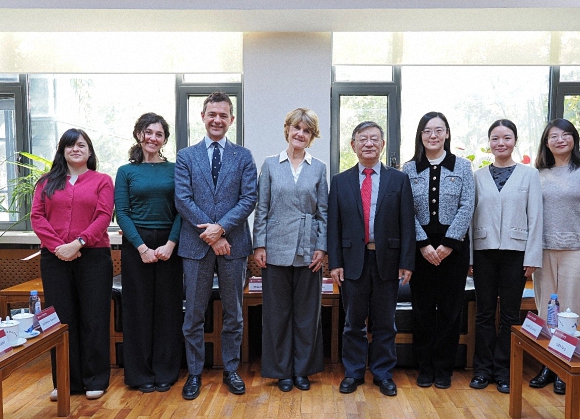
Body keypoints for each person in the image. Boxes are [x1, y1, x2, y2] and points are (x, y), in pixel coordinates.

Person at [175, 92, 258, 400]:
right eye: (212, 114)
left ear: (231, 120)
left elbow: (248, 198)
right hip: (195, 246)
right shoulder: (186, 156)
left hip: (233, 245)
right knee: (193, 314)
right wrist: (212, 234)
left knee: (234, 313)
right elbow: (183, 199)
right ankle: (195, 372)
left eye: (223, 115)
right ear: (203, 116)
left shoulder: (243, 156)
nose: (217, 120)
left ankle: (231, 369)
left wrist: (221, 229)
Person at [328, 121, 415, 397]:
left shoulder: (398, 180)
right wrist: (335, 263)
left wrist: (407, 262)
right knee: (353, 322)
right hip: (352, 261)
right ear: (353, 145)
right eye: (362, 139)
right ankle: (353, 372)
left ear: (383, 144)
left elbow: (407, 224)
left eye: (374, 139)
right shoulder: (340, 181)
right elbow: (334, 226)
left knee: (385, 322)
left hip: (387, 261)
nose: (368, 143)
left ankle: (382, 373)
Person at [31, 128, 113, 401]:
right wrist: (59, 247)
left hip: (93, 257)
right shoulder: (46, 183)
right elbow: (37, 217)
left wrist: (78, 243)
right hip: (54, 258)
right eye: (70, 145)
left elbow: (104, 216)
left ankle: (95, 379)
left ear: (89, 151)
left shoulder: (102, 181)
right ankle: (65, 381)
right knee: (61, 320)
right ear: (62, 151)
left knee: (94, 317)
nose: (75, 149)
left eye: (81, 145)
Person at [529, 118, 580, 395]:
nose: (560, 140)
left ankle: (565, 366)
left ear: (574, 139)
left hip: (578, 251)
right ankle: (548, 365)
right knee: (545, 311)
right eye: (553, 136)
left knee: (570, 311)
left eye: (565, 135)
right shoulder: (538, 173)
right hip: (544, 251)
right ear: (546, 142)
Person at [252, 108, 328, 392]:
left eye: (306, 130)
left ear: (312, 136)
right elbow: (261, 208)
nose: (300, 134)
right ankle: (282, 371)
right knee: (277, 314)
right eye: (297, 128)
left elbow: (323, 213)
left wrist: (321, 247)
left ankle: (302, 370)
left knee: (307, 315)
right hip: (275, 248)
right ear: (288, 129)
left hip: (309, 249)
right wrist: (259, 244)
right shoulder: (271, 164)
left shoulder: (318, 167)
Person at [468, 119, 543, 394]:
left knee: (510, 315)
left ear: (515, 141)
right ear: (489, 142)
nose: (501, 143)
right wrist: (470, 259)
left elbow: (536, 217)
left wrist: (532, 256)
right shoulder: (477, 176)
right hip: (483, 252)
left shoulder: (529, 175)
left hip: (517, 253)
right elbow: (469, 219)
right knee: (484, 313)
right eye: (495, 138)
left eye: (507, 138)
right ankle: (482, 370)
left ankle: (504, 371)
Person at [402, 111, 474, 390]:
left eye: (438, 130)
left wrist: (448, 244)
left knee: (449, 311)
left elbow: (467, 206)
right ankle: (424, 367)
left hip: (453, 251)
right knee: (422, 311)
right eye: (427, 131)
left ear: (447, 134)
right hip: (420, 251)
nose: (433, 135)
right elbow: (405, 210)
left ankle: (444, 368)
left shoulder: (463, 166)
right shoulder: (409, 169)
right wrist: (423, 244)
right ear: (420, 135)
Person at [115, 113, 183, 393]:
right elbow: (122, 213)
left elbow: (182, 210)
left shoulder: (175, 169)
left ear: (165, 140)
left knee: (168, 310)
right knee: (137, 310)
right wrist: (141, 247)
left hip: (170, 244)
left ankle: (166, 371)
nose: (153, 138)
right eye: (148, 132)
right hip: (136, 246)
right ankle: (140, 373)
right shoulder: (125, 171)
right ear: (139, 135)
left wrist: (171, 243)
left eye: (159, 134)